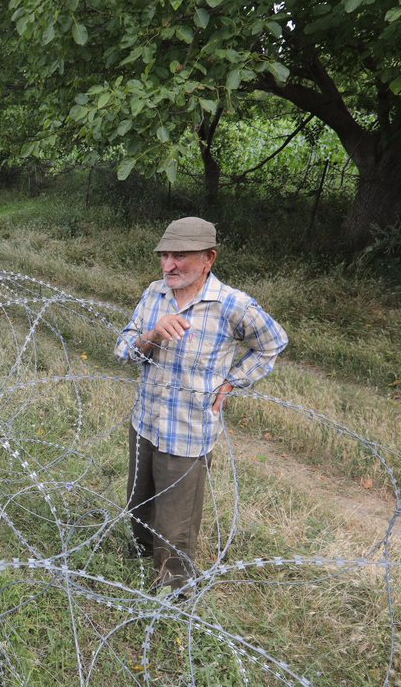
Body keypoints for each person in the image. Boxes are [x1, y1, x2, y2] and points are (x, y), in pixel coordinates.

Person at [115, 216, 288, 593]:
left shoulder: (232, 305)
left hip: (188, 431)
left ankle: (173, 586)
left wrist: (232, 383)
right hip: (146, 419)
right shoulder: (155, 294)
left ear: (209, 258)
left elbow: (273, 342)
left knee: (176, 521)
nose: (168, 266)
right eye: (164, 256)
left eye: (180, 256)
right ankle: (142, 552)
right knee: (139, 501)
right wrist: (152, 335)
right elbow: (123, 347)